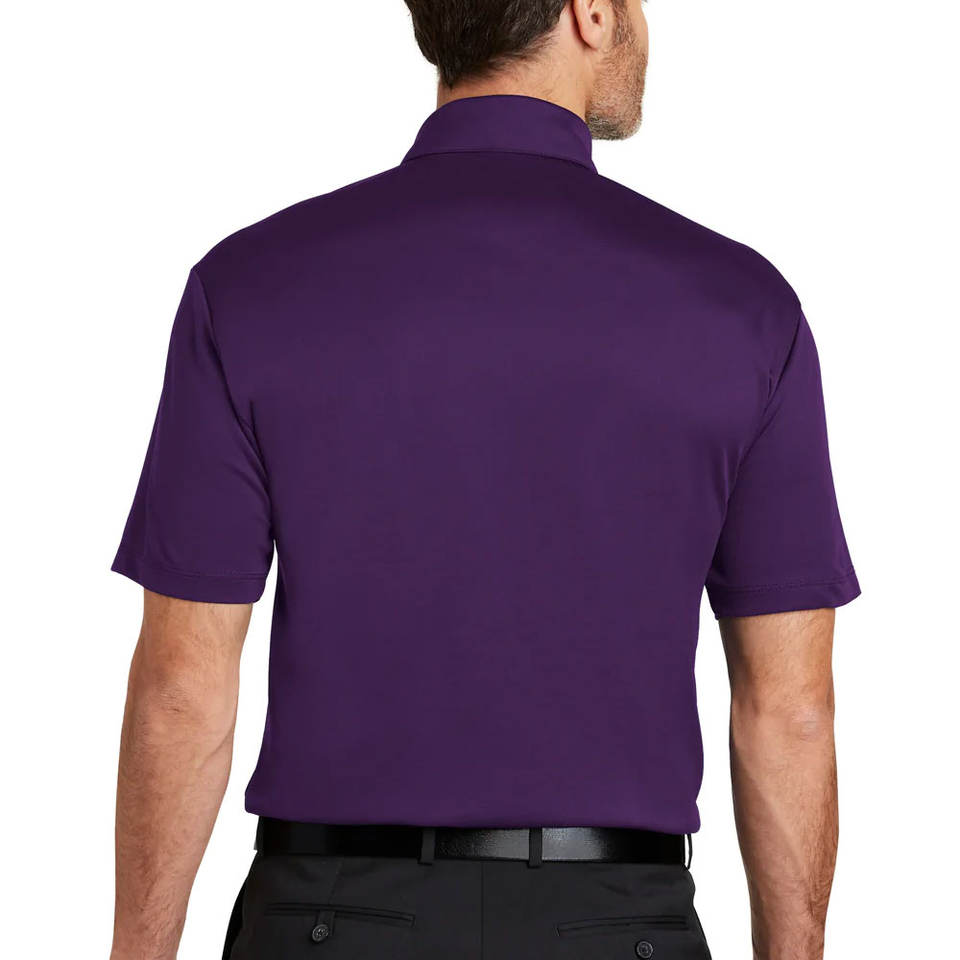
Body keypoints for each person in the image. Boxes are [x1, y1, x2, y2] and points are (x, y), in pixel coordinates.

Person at [109, 2, 860, 958]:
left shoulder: (251, 284)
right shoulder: (742, 309)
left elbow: (183, 685)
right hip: (615, 926)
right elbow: (789, 710)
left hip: (328, 922)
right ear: (590, 12)